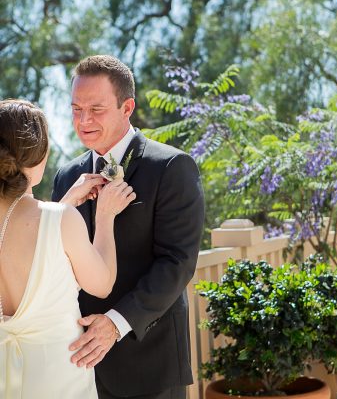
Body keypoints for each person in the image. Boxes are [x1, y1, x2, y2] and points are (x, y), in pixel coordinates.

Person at [51, 55, 205, 399]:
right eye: (76, 109)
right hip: (76, 364)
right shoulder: (65, 177)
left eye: (96, 109)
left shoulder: (172, 167)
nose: (84, 120)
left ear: (127, 107)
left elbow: (177, 263)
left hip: (148, 361)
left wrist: (115, 324)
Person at [0, 99, 136, 398]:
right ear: (39, 152)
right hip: (58, 376)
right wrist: (104, 216)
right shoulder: (59, 219)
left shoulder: (56, 216)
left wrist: (67, 203)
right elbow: (101, 285)